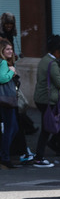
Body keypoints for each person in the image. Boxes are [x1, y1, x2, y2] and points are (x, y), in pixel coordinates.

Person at [33, 35, 60, 168]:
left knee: (49, 127)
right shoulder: (52, 63)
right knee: (47, 129)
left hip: (42, 99)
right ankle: (39, 157)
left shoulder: (45, 59)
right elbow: (59, 83)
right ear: (57, 51)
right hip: (48, 100)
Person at [0, 39, 19, 169]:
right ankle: (4, 157)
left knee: (13, 128)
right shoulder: (3, 63)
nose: (10, 51)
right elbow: (2, 78)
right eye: (7, 49)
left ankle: (4, 155)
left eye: (11, 49)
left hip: (5, 99)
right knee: (10, 129)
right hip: (5, 99)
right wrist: (11, 71)